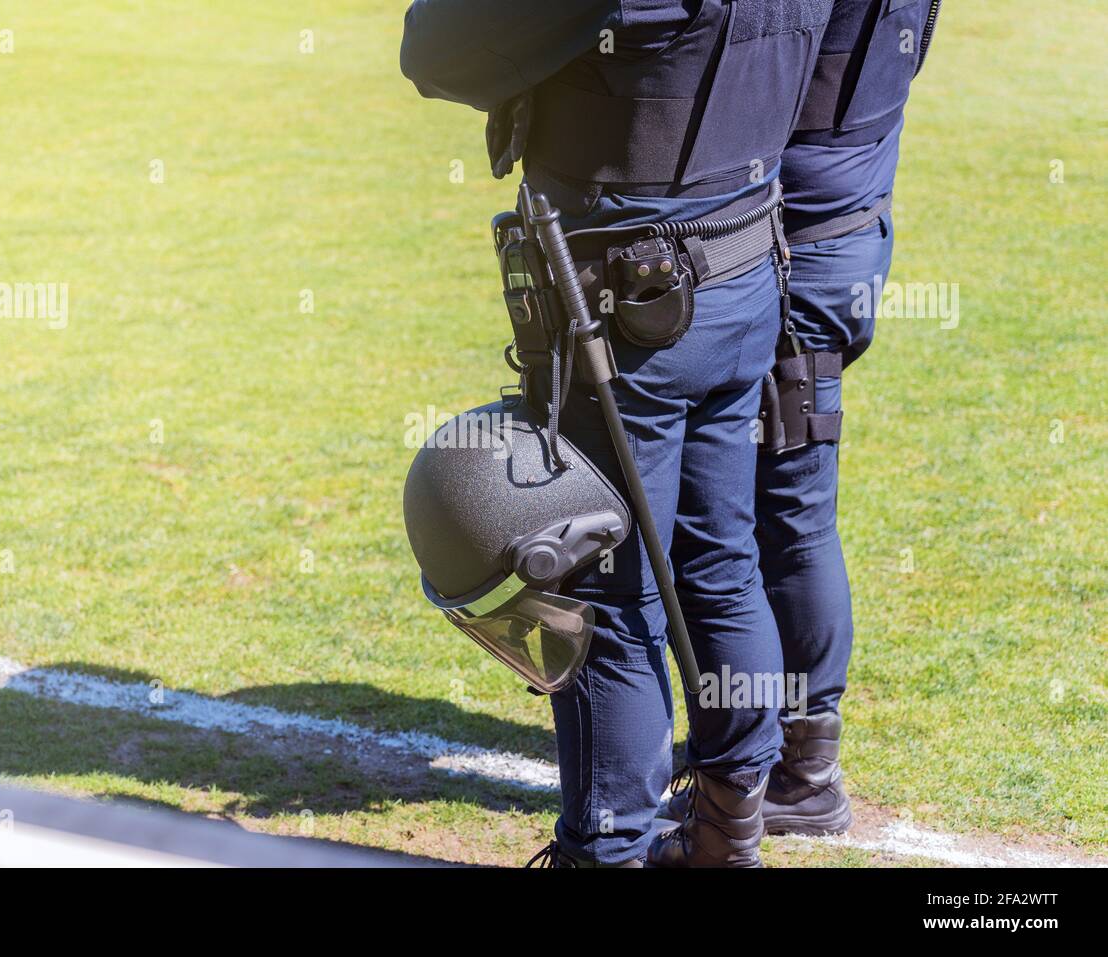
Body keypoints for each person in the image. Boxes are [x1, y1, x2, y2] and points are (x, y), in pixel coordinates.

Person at [402, 0, 834, 867]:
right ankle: (728, 828)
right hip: (746, 265)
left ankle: (609, 848)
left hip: (631, 306)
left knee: (606, 588)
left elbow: (435, 49)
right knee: (721, 559)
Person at [665, 0, 943, 837]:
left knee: (787, 512)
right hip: (848, 238)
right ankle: (766, 743)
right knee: (782, 507)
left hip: (800, 258)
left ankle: (803, 770)